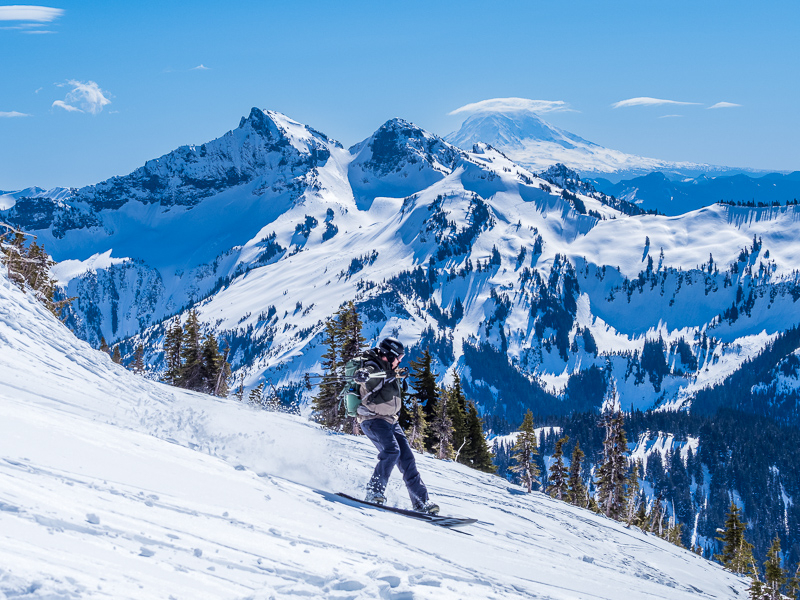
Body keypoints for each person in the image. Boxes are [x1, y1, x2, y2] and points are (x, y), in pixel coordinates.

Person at [353, 337, 439, 514]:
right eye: (398, 357)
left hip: (391, 421)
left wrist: (400, 375)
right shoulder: (374, 366)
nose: (400, 360)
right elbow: (366, 374)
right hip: (373, 420)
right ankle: (373, 491)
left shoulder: (391, 370)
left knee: (407, 460)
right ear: (388, 355)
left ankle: (421, 502)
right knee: (392, 451)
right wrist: (361, 374)